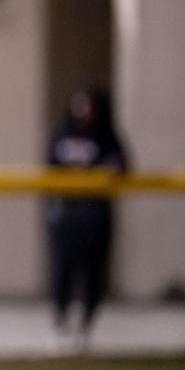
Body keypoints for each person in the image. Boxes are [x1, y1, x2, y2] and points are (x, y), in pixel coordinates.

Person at [45, 87, 129, 351]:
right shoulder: (63, 132)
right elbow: (48, 165)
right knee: (62, 270)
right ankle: (61, 322)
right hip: (67, 215)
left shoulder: (106, 136)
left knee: (93, 272)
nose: (83, 112)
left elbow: (123, 165)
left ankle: (86, 325)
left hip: (95, 216)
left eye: (89, 106)